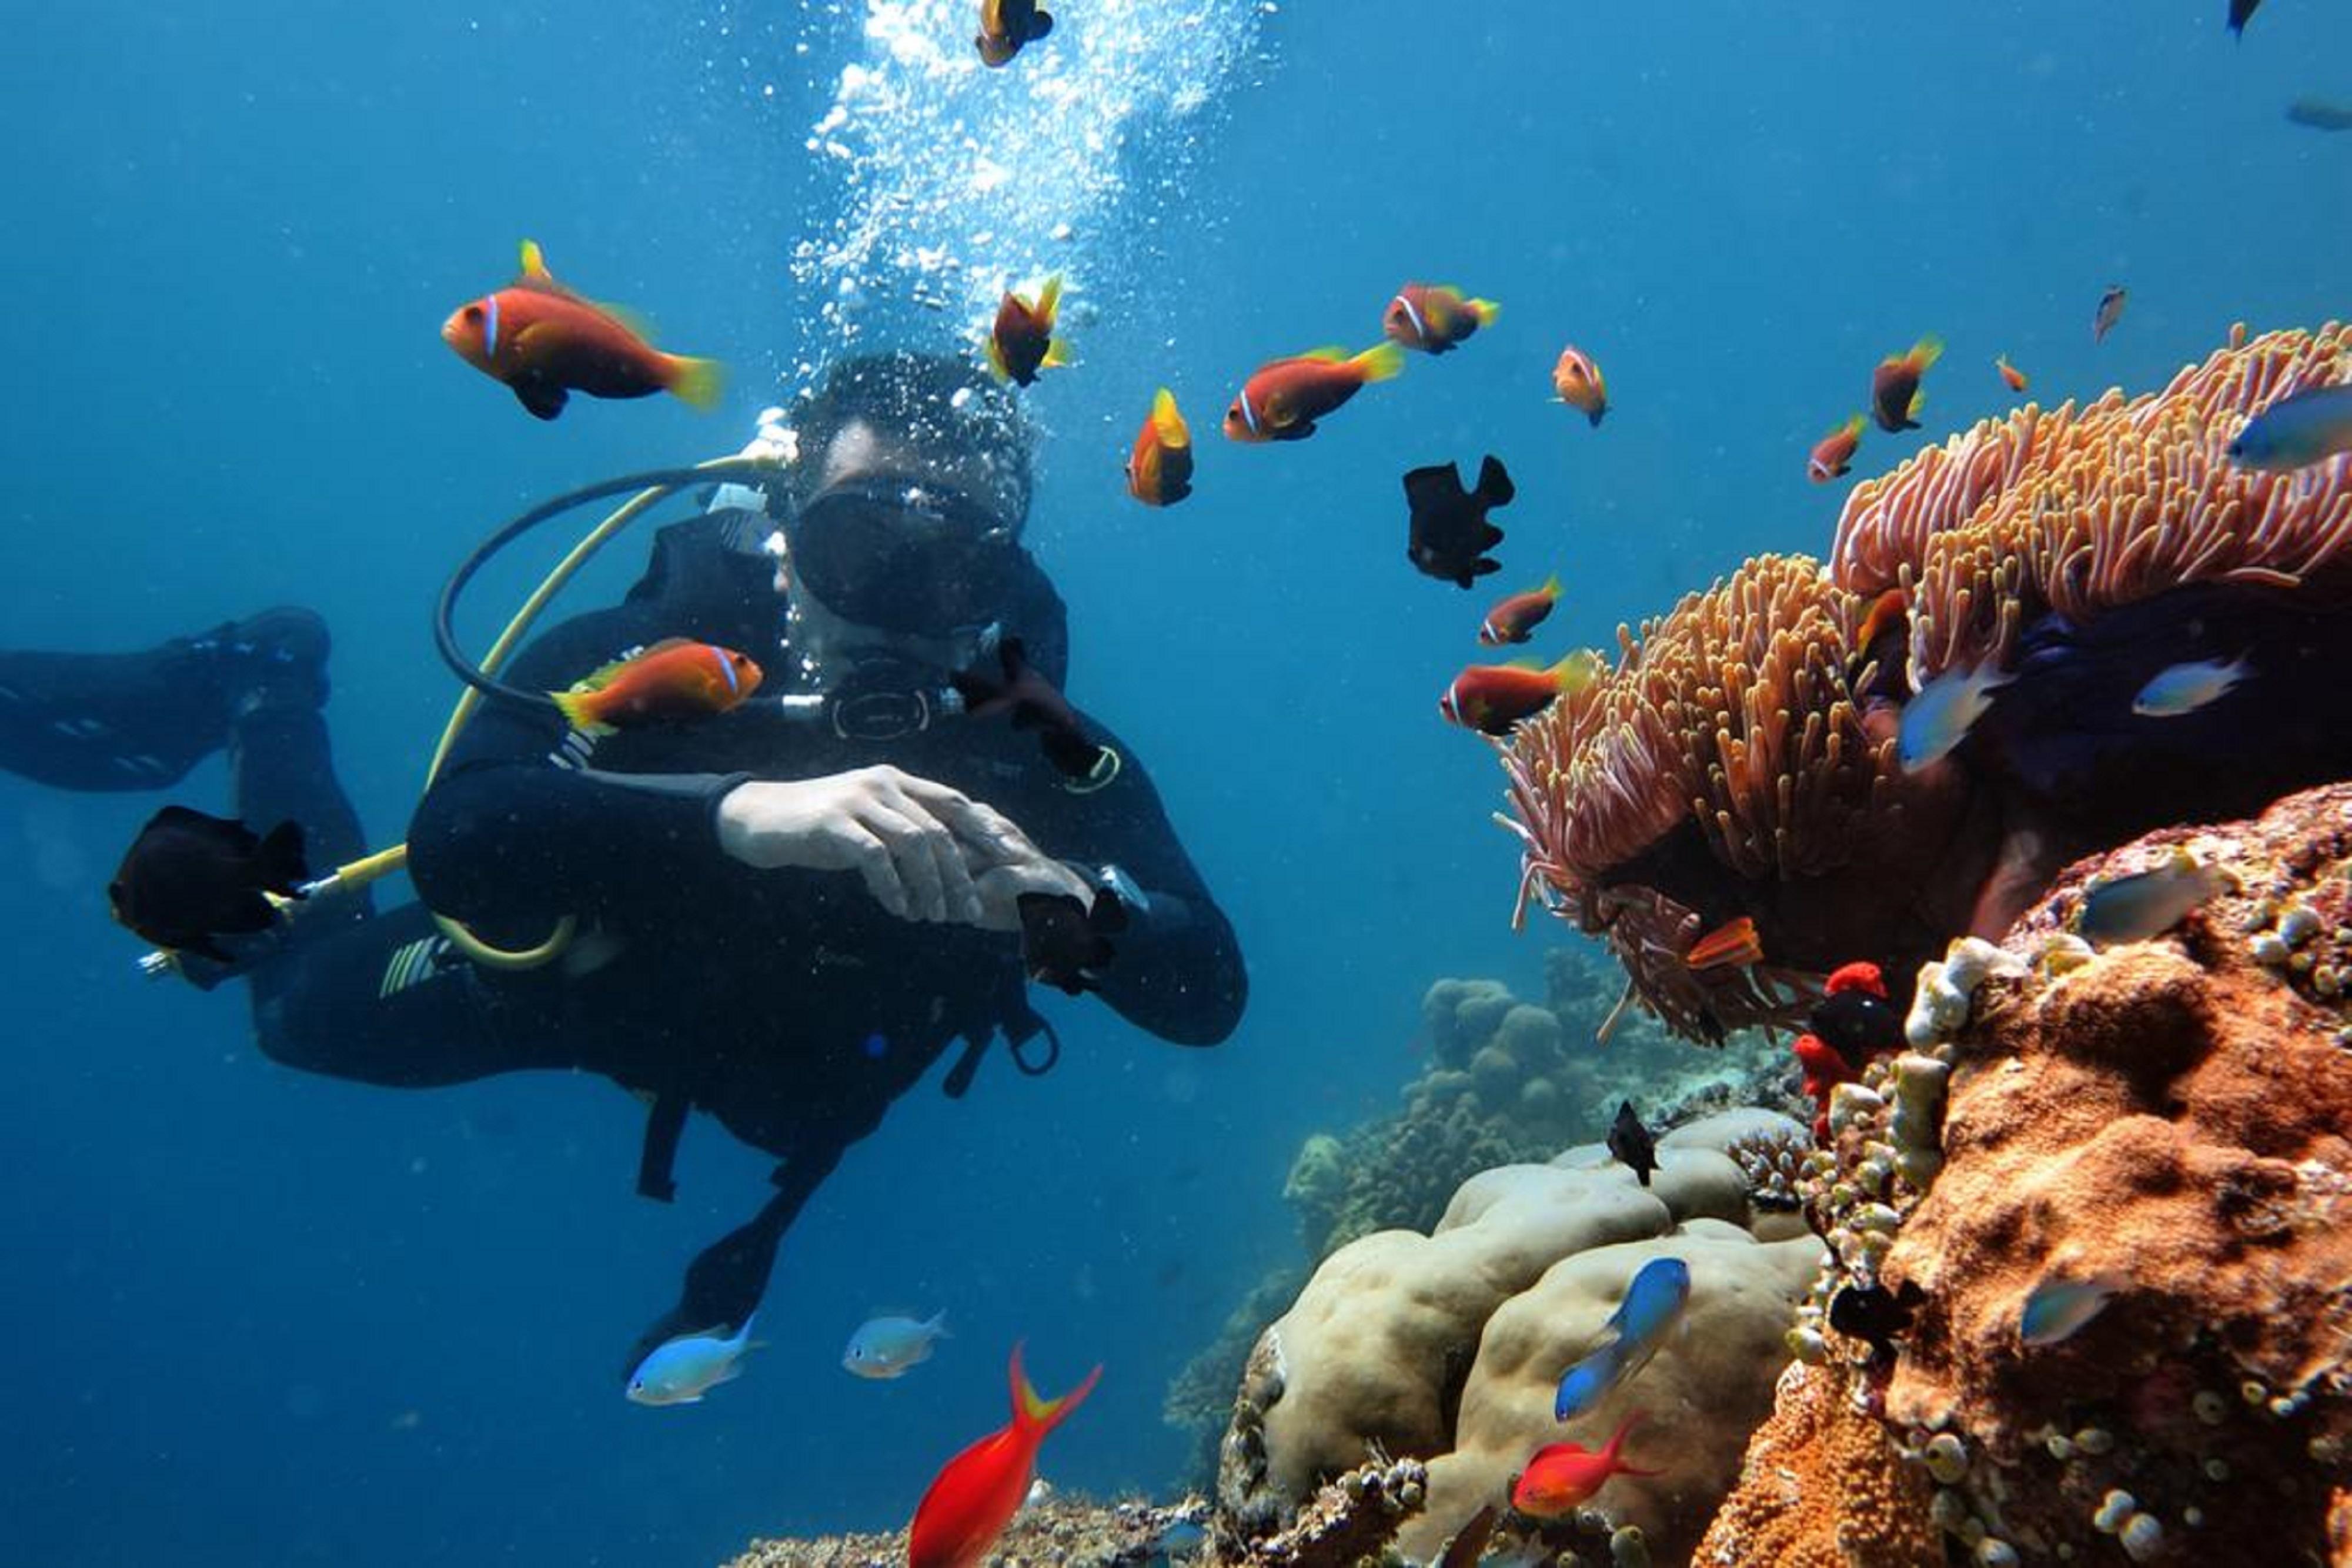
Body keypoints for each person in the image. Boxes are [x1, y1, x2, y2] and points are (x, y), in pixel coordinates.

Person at [0, 350, 1247, 1378]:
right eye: (862, 544)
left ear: (1002, 574)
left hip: (791, 1076)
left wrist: (1084, 905)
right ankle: (267, 681)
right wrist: (742, 813)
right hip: (564, 986)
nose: (897, 599)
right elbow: (460, 835)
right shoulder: (663, 654)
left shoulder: (1034, 748)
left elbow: (1208, 994)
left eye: (951, 561)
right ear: (784, 517)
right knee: (287, 1008)